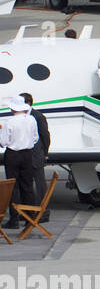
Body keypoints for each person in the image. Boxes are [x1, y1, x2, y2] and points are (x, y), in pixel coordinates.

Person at [0, 96, 39, 230]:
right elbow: (35, 138)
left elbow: (4, 141)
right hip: (27, 154)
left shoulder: (9, 122)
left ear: (12, 108)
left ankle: (14, 219)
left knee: (12, 187)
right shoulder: (31, 119)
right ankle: (30, 217)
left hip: (13, 154)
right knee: (27, 186)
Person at [21, 93, 50, 221]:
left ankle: (44, 213)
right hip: (25, 156)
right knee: (26, 184)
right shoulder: (21, 116)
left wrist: (45, 153)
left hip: (36, 155)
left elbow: (45, 136)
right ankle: (28, 212)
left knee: (40, 185)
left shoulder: (38, 116)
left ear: (27, 103)